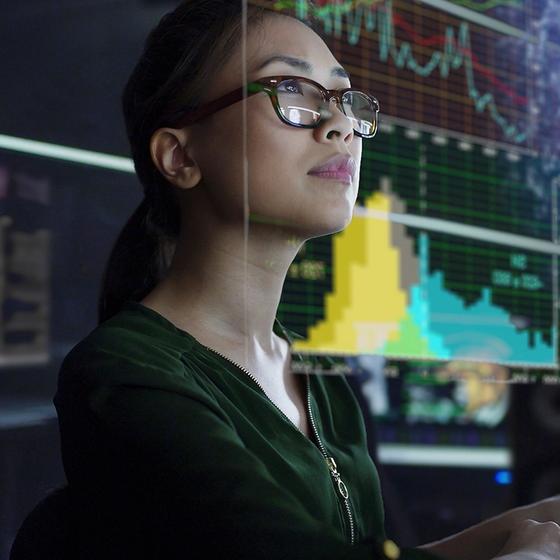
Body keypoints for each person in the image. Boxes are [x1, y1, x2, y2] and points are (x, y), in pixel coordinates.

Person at [53, 1, 560, 558]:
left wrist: (536, 524)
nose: (341, 124)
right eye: (291, 92)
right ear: (179, 155)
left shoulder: (318, 378)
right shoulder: (126, 374)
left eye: (344, 99)